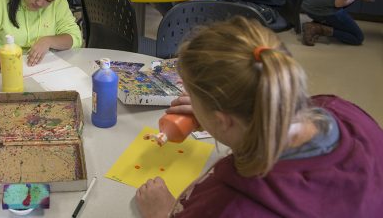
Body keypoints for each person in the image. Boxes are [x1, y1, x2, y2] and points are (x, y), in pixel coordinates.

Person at [135, 16, 383, 218]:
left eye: (193, 97)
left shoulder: (229, 204)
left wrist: (163, 212)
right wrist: (212, 116)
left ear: (224, 120)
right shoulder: (341, 109)